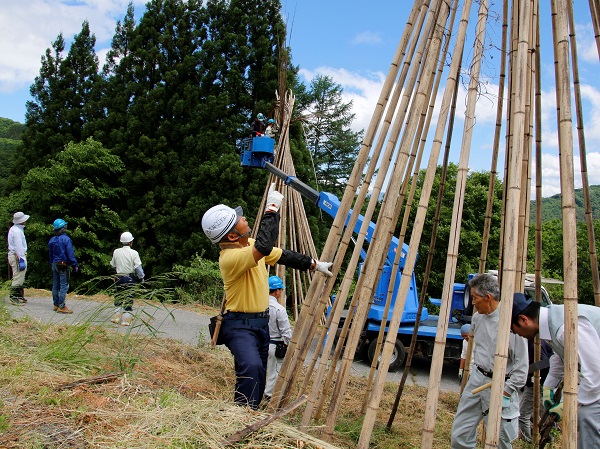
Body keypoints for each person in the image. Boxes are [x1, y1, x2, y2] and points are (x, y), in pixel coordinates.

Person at [201, 185, 333, 409]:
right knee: (250, 368)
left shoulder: (251, 245)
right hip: (239, 326)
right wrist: (272, 208)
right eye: (240, 219)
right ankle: (238, 417)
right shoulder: (230, 258)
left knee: (260, 374)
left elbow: (281, 255)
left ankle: (250, 412)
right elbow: (264, 247)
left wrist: (314, 264)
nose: (245, 219)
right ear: (233, 235)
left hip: (261, 325)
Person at [511, 295, 600, 449]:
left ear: (524, 319)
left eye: (513, 329)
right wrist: (549, 387)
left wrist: (568, 404)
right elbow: (560, 357)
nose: (516, 334)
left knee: (588, 416)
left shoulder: (565, 327)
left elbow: (595, 373)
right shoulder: (552, 322)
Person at [451, 274, 528, 449]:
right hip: (477, 380)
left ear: (488, 297)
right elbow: (479, 350)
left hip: (502, 384)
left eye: (475, 298)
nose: (473, 303)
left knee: (500, 439)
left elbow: (521, 366)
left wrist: (507, 392)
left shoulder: (510, 323)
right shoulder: (477, 319)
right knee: (460, 433)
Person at [518, 338, 553, 443]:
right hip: (539, 383)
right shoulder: (533, 341)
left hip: (536, 384)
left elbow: (545, 363)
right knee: (533, 413)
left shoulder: (535, 344)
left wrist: (528, 374)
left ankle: (528, 442)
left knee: (523, 415)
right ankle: (546, 436)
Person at [264, 275, 293, 401]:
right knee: (274, 373)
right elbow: (286, 333)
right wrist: (290, 346)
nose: (281, 292)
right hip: (275, 344)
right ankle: (268, 398)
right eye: (281, 290)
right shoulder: (279, 309)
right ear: (276, 291)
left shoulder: (259, 305)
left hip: (260, 343)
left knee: (262, 371)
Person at [110, 231, 145, 326]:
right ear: (131, 242)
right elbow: (138, 268)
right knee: (129, 297)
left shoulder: (116, 251)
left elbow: (113, 265)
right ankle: (126, 320)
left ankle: (116, 317)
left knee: (118, 296)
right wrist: (141, 278)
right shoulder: (134, 253)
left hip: (118, 277)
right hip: (129, 277)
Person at [48, 218, 79, 314]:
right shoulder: (66, 239)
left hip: (54, 264)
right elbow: (70, 254)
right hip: (63, 265)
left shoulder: (52, 240)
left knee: (55, 285)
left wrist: (51, 263)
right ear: (62, 228)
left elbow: (50, 254)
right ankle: (62, 306)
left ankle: (56, 304)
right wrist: (75, 264)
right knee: (64, 286)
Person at [7, 211, 29, 305]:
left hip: (15, 255)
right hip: (17, 256)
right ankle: (13, 297)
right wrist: (21, 259)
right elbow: (18, 246)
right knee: (18, 276)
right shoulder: (17, 231)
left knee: (20, 276)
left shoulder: (14, 229)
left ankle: (19, 295)